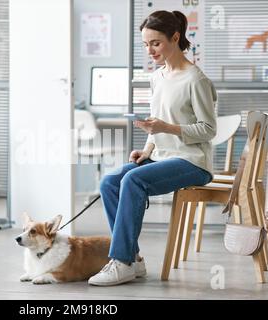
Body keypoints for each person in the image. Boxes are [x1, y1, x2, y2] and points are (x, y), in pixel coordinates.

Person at [88, 10, 217, 286]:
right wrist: (147, 149)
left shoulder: (196, 79)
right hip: (161, 157)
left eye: (155, 43)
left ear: (175, 37)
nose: (150, 50)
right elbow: (156, 122)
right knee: (110, 182)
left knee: (133, 179)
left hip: (193, 162)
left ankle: (120, 261)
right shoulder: (157, 77)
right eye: (146, 44)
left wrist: (166, 129)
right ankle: (132, 260)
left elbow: (209, 130)